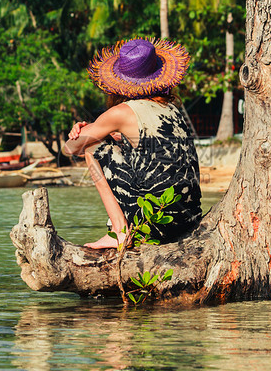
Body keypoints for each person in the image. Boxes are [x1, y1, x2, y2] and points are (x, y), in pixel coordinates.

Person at [63, 38, 202, 249]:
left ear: (120, 82)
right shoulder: (171, 108)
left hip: (156, 224)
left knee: (93, 148)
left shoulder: (121, 112)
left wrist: (83, 131)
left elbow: (70, 149)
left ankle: (119, 231)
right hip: (188, 217)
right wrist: (105, 131)